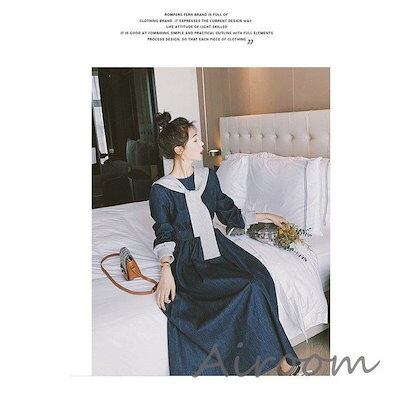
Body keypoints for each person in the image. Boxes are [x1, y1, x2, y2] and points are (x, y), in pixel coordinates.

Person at [148, 111, 305, 376]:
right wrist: (166, 269)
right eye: (195, 140)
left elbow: (228, 213)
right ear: (179, 149)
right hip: (189, 259)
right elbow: (163, 231)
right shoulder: (161, 190)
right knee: (248, 287)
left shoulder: (208, 177)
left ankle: (281, 357)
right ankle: (283, 358)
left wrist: (268, 215)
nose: (201, 144)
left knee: (260, 277)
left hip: (218, 248)